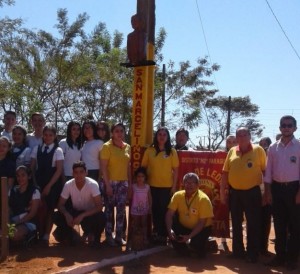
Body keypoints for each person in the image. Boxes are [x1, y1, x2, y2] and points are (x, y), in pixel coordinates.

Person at [220, 126, 266, 263]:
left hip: (253, 192)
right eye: (239, 135)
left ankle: (252, 253)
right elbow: (225, 172)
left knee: (253, 223)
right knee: (236, 222)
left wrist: (265, 192)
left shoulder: (258, 150)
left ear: (250, 136)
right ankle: (238, 252)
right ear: (236, 137)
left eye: (245, 134)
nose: (242, 137)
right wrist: (223, 192)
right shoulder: (232, 151)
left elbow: (265, 171)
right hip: (235, 193)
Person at [264, 115, 300, 270]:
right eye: (283, 125)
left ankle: (292, 259)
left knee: (296, 227)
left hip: (294, 189)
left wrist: (299, 193)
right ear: (280, 128)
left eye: (289, 125)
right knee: (279, 226)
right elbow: (268, 172)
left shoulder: (299, 146)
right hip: (277, 190)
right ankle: (279, 257)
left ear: (295, 128)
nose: (286, 128)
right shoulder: (273, 148)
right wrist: (268, 192)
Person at [53, 161, 105, 247]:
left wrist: (83, 215)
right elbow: (60, 205)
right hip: (75, 213)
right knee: (56, 216)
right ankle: (71, 234)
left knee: (101, 217)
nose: (79, 175)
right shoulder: (68, 185)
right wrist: (66, 214)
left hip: (89, 214)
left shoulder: (93, 184)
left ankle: (94, 236)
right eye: (76, 172)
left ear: (86, 173)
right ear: (72, 174)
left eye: (81, 172)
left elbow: (99, 207)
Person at [141, 127, 179, 245]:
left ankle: (164, 234)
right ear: (156, 136)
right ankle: (156, 233)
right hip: (151, 186)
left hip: (166, 187)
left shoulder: (172, 151)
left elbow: (176, 170)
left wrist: (173, 187)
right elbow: (143, 168)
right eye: (159, 134)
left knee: (164, 211)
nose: (162, 137)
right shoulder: (149, 150)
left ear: (167, 137)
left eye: (164, 135)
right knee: (154, 210)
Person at [166, 172, 213, 257]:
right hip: (184, 227)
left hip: (201, 228)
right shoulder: (177, 195)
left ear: (197, 184)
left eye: (192, 183)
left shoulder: (203, 199)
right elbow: (169, 214)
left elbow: (202, 222)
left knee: (197, 250)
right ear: (183, 184)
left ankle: (206, 244)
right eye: (187, 183)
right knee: (172, 229)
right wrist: (170, 231)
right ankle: (183, 249)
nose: (189, 185)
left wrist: (189, 236)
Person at [30, 124, 64, 244]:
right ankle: (38, 232)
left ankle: (46, 235)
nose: (48, 137)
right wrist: (35, 184)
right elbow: (32, 168)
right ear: (43, 136)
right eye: (45, 135)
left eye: (50, 135)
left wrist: (49, 186)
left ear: (55, 136)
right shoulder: (37, 148)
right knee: (37, 208)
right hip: (38, 183)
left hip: (52, 184)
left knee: (49, 209)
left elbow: (59, 170)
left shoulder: (58, 150)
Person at [100, 123, 131, 246]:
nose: (119, 133)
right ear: (112, 133)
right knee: (108, 211)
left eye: (121, 131)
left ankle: (119, 236)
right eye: (117, 131)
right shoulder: (106, 147)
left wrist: (129, 184)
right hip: (110, 182)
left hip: (123, 183)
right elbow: (103, 167)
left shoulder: (128, 147)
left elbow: (128, 168)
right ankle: (108, 235)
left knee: (121, 211)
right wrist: (107, 185)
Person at [8, 166, 40, 244]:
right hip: (12, 222)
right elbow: (8, 208)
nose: (20, 178)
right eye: (18, 176)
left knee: (13, 234)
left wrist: (16, 223)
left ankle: (30, 236)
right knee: (5, 233)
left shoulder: (35, 191)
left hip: (28, 222)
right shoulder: (12, 191)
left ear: (29, 176)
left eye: (23, 175)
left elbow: (32, 214)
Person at [128, 167, 152, 250]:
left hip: (144, 209)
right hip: (135, 209)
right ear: (136, 177)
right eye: (138, 176)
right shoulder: (133, 186)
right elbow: (129, 196)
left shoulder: (147, 187)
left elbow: (149, 198)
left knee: (144, 224)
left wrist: (150, 208)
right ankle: (131, 240)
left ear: (145, 178)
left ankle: (144, 238)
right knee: (135, 224)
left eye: (142, 176)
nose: (140, 178)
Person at [258, 137, 272, 256]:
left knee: (266, 222)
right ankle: (253, 246)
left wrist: (267, 194)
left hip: (269, 196)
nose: (263, 147)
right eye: (261, 144)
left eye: (266, 144)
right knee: (254, 222)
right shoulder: (256, 161)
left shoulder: (273, 162)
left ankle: (263, 247)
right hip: (256, 196)